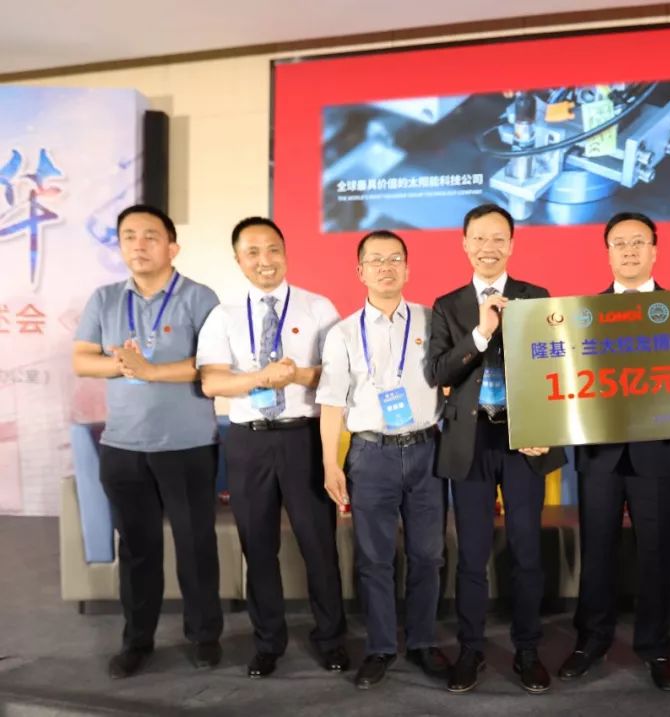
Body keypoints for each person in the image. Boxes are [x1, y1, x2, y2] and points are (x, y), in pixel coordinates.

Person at [558, 211, 670, 691]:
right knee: (597, 551)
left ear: (654, 250)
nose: (628, 251)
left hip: (658, 453)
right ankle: (591, 640)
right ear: (607, 253)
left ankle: (656, 647)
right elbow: (565, 380)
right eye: (619, 243)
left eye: (637, 242)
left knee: (657, 553)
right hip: (599, 455)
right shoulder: (582, 314)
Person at [73, 204, 223, 678]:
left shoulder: (199, 297)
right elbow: (81, 359)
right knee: (137, 549)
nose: (139, 245)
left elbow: (211, 365)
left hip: (188, 445)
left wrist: (151, 370)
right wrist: (123, 364)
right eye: (129, 236)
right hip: (124, 446)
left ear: (172, 247)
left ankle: (205, 636)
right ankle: (137, 641)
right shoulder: (104, 299)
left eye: (150, 236)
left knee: (195, 544)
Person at [197, 217, 347, 678]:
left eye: (273, 249)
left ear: (285, 252)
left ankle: (332, 640)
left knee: (318, 545)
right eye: (253, 252)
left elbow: (339, 374)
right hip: (248, 442)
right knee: (257, 546)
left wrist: (296, 374)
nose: (265, 260)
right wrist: (259, 378)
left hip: (304, 437)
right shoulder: (223, 315)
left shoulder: (318, 307)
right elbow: (211, 382)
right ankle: (268, 643)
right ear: (239, 260)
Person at [427, 203, 566, 694]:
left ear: (512, 244)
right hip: (471, 441)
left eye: (498, 238)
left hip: (524, 439)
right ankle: (471, 650)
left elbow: (558, 368)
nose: (488, 247)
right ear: (465, 243)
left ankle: (527, 650)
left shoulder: (536, 297)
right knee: (472, 554)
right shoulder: (447, 305)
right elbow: (439, 372)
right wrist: (482, 332)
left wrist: (548, 427)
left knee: (527, 550)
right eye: (479, 238)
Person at [318, 230, 450, 689]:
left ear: (408, 269)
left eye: (395, 259)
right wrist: (330, 463)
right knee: (375, 558)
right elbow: (332, 403)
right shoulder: (342, 333)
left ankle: (422, 642)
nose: (386, 267)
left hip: (427, 450)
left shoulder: (433, 320)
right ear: (360, 271)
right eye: (375, 260)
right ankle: (380, 647)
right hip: (370, 455)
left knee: (428, 555)